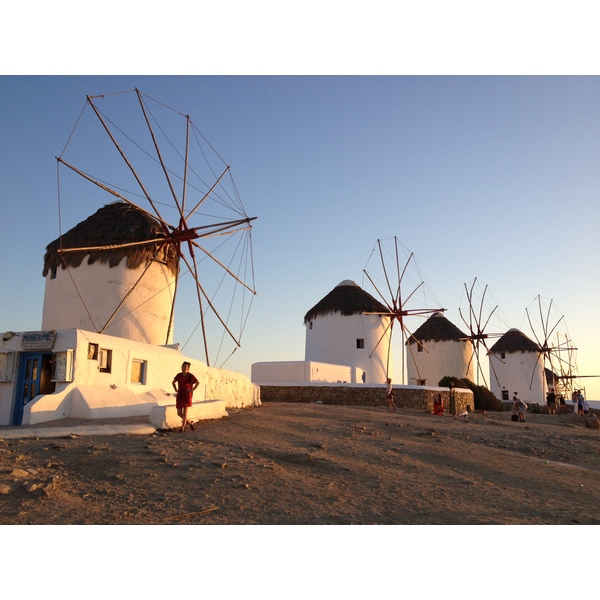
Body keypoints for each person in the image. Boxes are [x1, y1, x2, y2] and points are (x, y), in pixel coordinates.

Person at [172, 361, 200, 432]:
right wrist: (175, 389)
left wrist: (192, 389)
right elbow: (173, 382)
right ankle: (190, 423)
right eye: (183, 366)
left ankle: (182, 428)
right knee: (179, 413)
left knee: (185, 412)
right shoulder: (179, 375)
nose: (183, 368)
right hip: (180, 395)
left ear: (188, 368)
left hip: (187, 395)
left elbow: (197, 382)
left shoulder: (190, 376)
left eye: (185, 367)